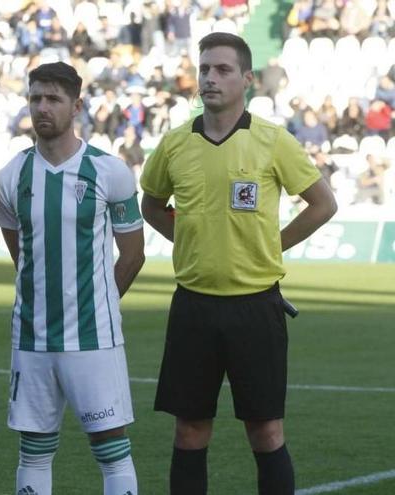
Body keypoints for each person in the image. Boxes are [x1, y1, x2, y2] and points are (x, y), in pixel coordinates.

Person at [140, 33, 338, 494]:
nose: (210, 77)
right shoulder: (173, 145)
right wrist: (189, 239)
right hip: (194, 307)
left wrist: (273, 245)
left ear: (247, 80)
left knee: (266, 432)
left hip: (256, 308)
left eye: (222, 69)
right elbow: (151, 206)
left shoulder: (273, 141)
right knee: (189, 432)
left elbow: (322, 204)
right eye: (204, 68)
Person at [0, 62, 145, 495]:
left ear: (76, 106)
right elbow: (18, 248)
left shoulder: (109, 171)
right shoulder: (11, 175)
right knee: (34, 448)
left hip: (93, 337)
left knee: (110, 446)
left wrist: (99, 304)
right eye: (35, 97)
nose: (42, 107)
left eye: (53, 99)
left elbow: (133, 255)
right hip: (32, 337)